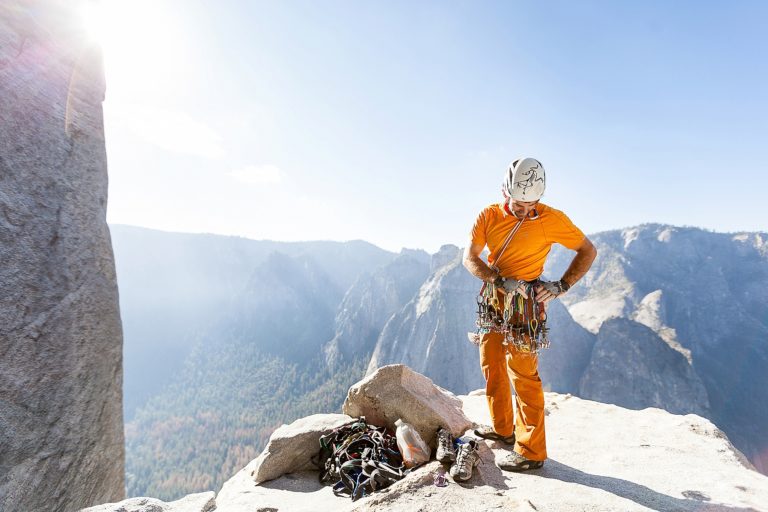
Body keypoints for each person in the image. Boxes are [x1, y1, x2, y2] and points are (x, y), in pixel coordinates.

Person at [462, 157, 597, 471]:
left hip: (525, 303)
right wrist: (498, 280)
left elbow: (587, 250)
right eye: (519, 206)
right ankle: (502, 428)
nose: (526, 211)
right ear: (504, 192)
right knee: (491, 362)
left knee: (524, 374)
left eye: (532, 205)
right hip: (494, 296)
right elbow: (470, 257)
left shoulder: (552, 219)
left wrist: (561, 285)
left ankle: (531, 452)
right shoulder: (489, 215)